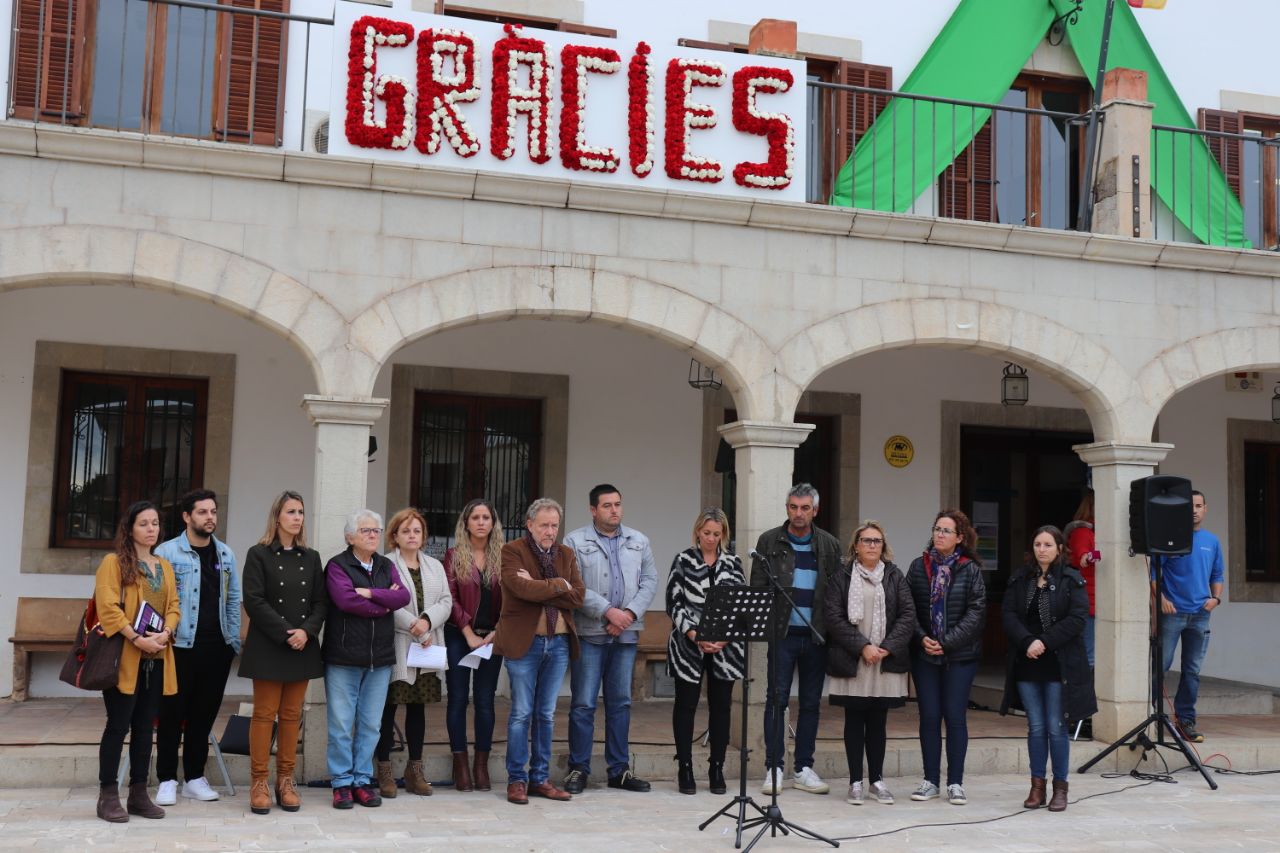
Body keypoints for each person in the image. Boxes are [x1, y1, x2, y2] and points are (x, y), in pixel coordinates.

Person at [563, 484, 659, 794]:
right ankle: (578, 769)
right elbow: (573, 585)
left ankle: (619, 770)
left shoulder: (638, 540)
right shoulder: (575, 541)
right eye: (607, 505)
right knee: (583, 704)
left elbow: (650, 580)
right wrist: (608, 612)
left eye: (617, 504)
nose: (614, 510)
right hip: (590, 634)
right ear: (593, 510)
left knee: (621, 703)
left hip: (625, 636)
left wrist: (628, 614)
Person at [238, 490, 328, 816]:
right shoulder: (258, 554)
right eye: (291, 511)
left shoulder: (312, 557)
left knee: (292, 715)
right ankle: (259, 781)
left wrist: (306, 632)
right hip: (269, 645)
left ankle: (285, 781)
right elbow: (254, 600)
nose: (297, 517)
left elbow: (321, 602)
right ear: (277, 517)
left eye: (301, 512)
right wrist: (286, 633)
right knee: (264, 714)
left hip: (302, 645)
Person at [751, 483, 840, 796]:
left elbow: (836, 592)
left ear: (815, 510)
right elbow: (758, 588)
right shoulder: (769, 541)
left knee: (811, 703)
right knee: (776, 700)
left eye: (804, 508)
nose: (798, 513)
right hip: (783, 635)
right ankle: (774, 768)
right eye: (793, 507)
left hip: (816, 635)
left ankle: (803, 768)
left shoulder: (829, 544)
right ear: (787, 508)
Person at [153, 489, 241, 807]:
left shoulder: (225, 554)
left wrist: (232, 642)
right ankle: (166, 779)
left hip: (216, 647)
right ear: (187, 517)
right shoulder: (166, 552)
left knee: (203, 716)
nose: (210, 517)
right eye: (202, 512)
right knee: (171, 714)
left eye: (213, 511)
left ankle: (193, 778)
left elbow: (233, 599)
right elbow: (156, 599)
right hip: (178, 647)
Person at [94, 500, 180, 823]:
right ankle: (107, 795)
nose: (151, 529)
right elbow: (108, 608)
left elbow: (174, 605)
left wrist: (166, 632)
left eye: (155, 523)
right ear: (129, 529)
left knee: (145, 728)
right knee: (118, 725)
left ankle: (139, 793)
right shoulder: (113, 563)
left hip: (156, 660)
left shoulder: (164, 566)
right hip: (125, 659)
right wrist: (137, 638)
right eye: (143, 523)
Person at [496, 498, 585, 805]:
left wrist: (544, 586)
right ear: (530, 524)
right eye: (544, 525)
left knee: (546, 714)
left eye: (554, 525)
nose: (550, 531)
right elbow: (520, 589)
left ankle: (540, 779)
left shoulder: (567, 554)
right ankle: (517, 780)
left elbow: (578, 597)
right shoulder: (512, 551)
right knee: (521, 713)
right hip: (525, 642)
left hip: (558, 643)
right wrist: (560, 585)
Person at [1000, 526, 1095, 812]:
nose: (1042, 549)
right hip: (1027, 661)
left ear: (1060, 549)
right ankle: (1037, 786)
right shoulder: (1020, 578)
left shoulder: (1071, 579)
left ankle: (1060, 788)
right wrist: (1028, 641)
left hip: (1058, 663)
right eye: (1038, 544)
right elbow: (1009, 615)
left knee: (1056, 727)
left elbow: (1077, 619)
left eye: (1048, 545)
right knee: (1036, 726)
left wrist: (1044, 642)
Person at [323, 510, 410, 810]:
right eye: (365, 530)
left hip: (380, 659)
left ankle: (362, 781)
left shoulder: (386, 565)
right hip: (344, 657)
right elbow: (346, 600)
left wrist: (371, 593)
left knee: (371, 725)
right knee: (341, 725)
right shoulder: (337, 565)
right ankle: (341, 783)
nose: (373, 535)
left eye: (376, 530)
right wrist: (384, 602)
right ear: (350, 537)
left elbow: (403, 597)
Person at [824, 521, 914, 806]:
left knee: (878, 721)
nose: (872, 545)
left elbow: (907, 615)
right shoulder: (842, 576)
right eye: (866, 540)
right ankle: (855, 782)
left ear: (883, 546)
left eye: (877, 541)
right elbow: (833, 616)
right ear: (856, 545)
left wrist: (886, 648)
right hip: (855, 658)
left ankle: (876, 780)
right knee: (854, 720)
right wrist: (862, 646)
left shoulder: (895, 576)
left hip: (883, 660)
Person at [904, 509, 986, 806]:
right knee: (929, 716)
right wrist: (921, 637)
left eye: (946, 530)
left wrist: (947, 643)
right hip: (925, 654)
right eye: (937, 529)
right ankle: (930, 781)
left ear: (960, 537)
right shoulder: (918, 567)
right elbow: (907, 608)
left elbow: (976, 613)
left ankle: (955, 783)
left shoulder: (970, 569)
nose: (939, 534)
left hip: (959, 656)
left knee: (954, 717)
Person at [666, 507, 746, 796]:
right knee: (685, 705)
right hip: (689, 645)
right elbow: (673, 602)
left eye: (716, 534)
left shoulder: (733, 563)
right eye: (706, 533)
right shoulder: (683, 560)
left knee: (721, 707)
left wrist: (724, 636)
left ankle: (717, 768)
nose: (711, 539)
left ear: (723, 534)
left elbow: (741, 604)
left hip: (726, 647)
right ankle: (685, 767)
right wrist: (695, 634)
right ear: (697, 531)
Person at [376, 508, 452, 799]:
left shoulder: (435, 565)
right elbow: (386, 601)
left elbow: (446, 600)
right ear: (395, 535)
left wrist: (427, 622)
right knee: (388, 709)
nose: (412, 535)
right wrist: (414, 625)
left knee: (418, 709)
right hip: (399, 644)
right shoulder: (386, 565)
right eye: (405, 531)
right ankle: (384, 770)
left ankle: (414, 770)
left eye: (417, 531)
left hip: (427, 647)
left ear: (424, 536)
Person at [444, 499, 505, 793]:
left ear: (493, 523)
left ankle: (481, 765)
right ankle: (460, 764)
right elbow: (450, 598)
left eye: (486, 517)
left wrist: (496, 631)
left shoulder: (504, 557)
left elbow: (513, 599)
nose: (481, 522)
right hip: (459, 636)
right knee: (458, 699)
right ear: (466, 523)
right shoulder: (453, 555)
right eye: (475, 517)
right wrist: (468, 633)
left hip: (491, 638)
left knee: (485, 700)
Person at [1153, 490, 1224, 744]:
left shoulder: (1212, 541)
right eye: (1190, 506)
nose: (1194, 510)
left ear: (1205, 509)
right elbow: (1154, 573)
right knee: (1160, 666)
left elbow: (1217, 574)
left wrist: (1215, 599)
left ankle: (1185, 721)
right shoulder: (1170, 539)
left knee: (1192, 671)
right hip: (1173, 614)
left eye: (1198, 505)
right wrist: (1161, 598)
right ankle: (1150, 714)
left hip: (1201, 615)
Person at [1063, 490, 1100, 668]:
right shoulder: (1083, 531)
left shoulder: (1099, 531)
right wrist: (1099, 554)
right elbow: (1083, 557)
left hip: (1098, 600)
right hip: (1088, 601)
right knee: (1089, 656)